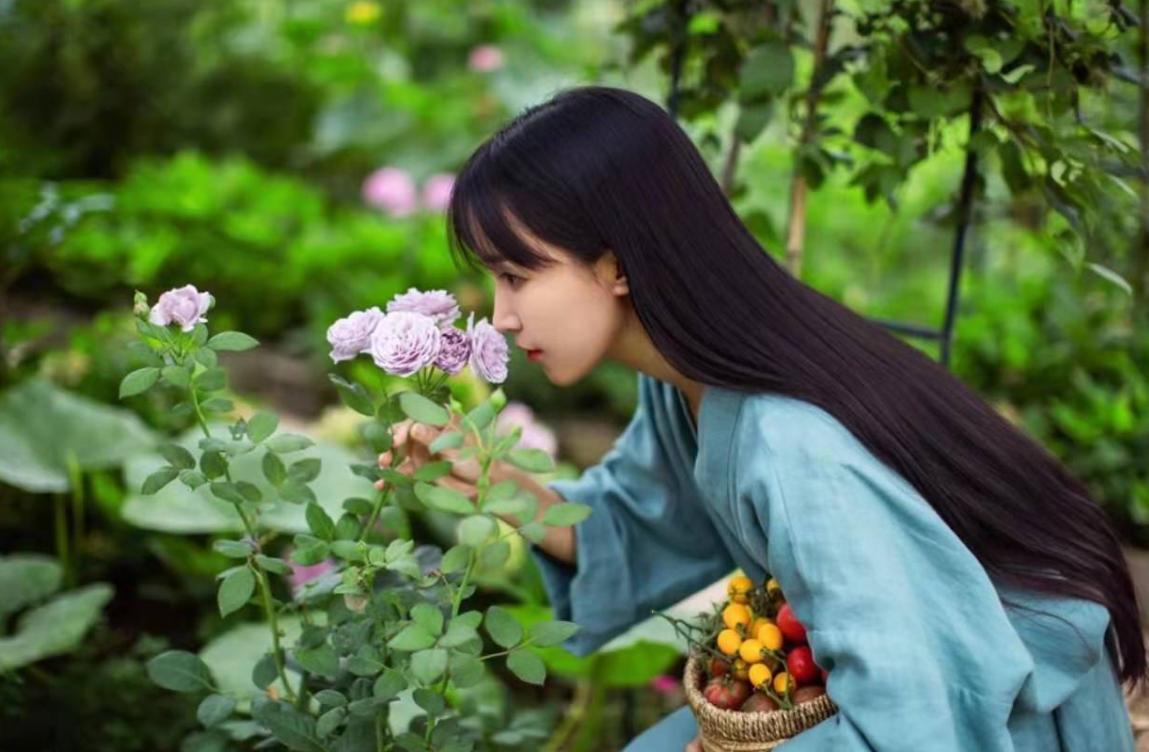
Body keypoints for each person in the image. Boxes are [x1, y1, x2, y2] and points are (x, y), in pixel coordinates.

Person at [379, 85, 1142, 750]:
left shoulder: (792, 446)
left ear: (614, 263)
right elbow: (643, 525)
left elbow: (915, 713)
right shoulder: (689, 380)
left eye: (516, 274)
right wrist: (495, 483)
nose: (502, 315)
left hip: (991, 722)